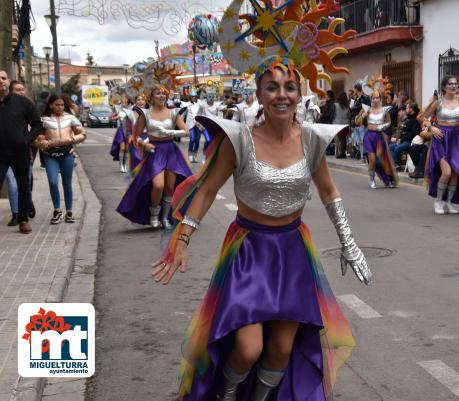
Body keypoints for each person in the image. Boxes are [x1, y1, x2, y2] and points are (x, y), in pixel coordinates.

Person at [152, 2, 370, 400]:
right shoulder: (238, 140)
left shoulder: (313, 140)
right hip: (249, 252)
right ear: (259, 94)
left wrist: (350, 244)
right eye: (272, 87)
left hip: (293, 250)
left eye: (289, 87)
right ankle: (227, 394)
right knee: (249, 347)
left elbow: (328, 193)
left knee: (283, 348)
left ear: (299, 92)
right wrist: (181, 241)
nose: (282, 95)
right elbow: (205, 192)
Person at [116, 86, 192, 228]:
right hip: (155, 151)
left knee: (170, 187)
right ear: (152, 96)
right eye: (158, 93)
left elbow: (187, 132)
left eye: (164, 93)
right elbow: (136, 136)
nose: (162, 96)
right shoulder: (145, 114)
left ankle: (165, 218)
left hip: (171, 151)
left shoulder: (174, 113)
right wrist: (145, 145)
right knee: (158, 185)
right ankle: (154, 214)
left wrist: (169, 132)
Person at [421, 75, 459, 214]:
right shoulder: (438, 103)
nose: (454, 86)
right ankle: (438, 201)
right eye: (450, 84)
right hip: (441, 138)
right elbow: (423, 117)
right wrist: (431, 128)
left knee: (456, 171)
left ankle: (449, 202)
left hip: (456, 138)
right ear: (444, 87)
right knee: (447, 172)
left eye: (456, 83)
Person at [34, 94, 87, 224]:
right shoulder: (44, 120)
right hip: (50, 156)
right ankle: (57, 211)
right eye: (57, 104)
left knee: (67, 183)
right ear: (51, 105)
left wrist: (71, 141)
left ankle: (69, 212)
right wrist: (43, 143)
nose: (60, 107)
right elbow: (37, 139)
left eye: (62, 105)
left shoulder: (71, 118)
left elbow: (83, 134)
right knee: (53, 182)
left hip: (67, 154)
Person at [0, 70, 42, 233]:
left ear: (8, 81)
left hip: (19, 152)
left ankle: (23, 219)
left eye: (3, 78)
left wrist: (26, 140)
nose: (0, 81)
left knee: (23, 186)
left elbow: (38, 125)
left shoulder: (23, 102)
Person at [357, 88, 398, 188]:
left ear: (380, 99)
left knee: (382, 160)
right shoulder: (367, 109)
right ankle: (372, 180)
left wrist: (382, 126)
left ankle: (387, 179)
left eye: (377, 98)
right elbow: (358, 122)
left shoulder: (385, 110)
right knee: (372, 160)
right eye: (373, 98)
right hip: (369, 137)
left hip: (379, 137)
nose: (375, 100)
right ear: (371, 99)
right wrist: (363, 116)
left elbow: (389, 122)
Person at [110, 95, 132, 172]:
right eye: (122, 102)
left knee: (127, 149)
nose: (124, 103)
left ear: (128, 103)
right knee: (122, 148)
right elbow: (112, 117)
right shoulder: (118, 109)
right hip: (121, 130)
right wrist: (114, 117)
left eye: (125, 102)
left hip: (129, 131)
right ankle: (121, 165)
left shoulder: (131, 109)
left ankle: (125, 164)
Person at [128, 94, 149, 171]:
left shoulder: (150, 112)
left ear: (146, 101)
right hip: (135, 140)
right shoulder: (131, 113)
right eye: (138, 99)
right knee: (137, 161)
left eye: (142, 99)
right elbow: (128, 127)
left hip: (147, 139)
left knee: (147, 163)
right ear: (135, 101)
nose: (140, 101)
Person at [183, 91, 203, 163]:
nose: (193, 98)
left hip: (199, 124)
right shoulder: (187, 105)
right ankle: (190, 154)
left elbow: (202, 114)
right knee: (192, 139)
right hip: (190, 124)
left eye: (195, 97)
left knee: (197, 140)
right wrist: (182, 125)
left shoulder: (199, 105)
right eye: (192, 97)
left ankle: (195, 154)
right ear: (190, 97)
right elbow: (183, 114)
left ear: (196, 97)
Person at [332, 91, 350, 158]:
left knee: (340, 139)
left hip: (337, 124)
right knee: (344, 139)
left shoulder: (335, 105)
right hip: (345, 124)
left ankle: (342, 153)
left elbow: (333, 114)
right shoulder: (347, 106)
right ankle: (343, 152)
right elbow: (349, 115)